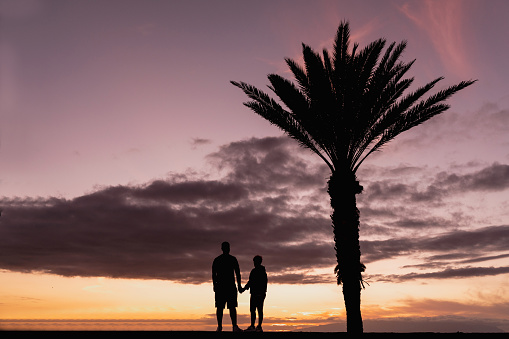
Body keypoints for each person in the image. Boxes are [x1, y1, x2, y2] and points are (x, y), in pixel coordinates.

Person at [212, 241, 243, 332]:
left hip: (225, 286)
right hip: (227, 286)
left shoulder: (218, 259)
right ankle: (228, 326)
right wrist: (239, 285)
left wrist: (215, 285)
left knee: (224, 307)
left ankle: (224, 326)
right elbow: (237, 273)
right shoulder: (231, 259)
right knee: (227, 307)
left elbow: (214, 274)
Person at [240, 255, 267, 332]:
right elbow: (250, 282)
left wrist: (243, 289)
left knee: (256, 310)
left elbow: (251, 282)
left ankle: (256, 326)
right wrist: (244, 288)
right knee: (256, 310)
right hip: (257, 293)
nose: (254, 263)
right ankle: (256, 326)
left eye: (255, 261)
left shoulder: (257, 271)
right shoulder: (259, 271)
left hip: (258, 293)